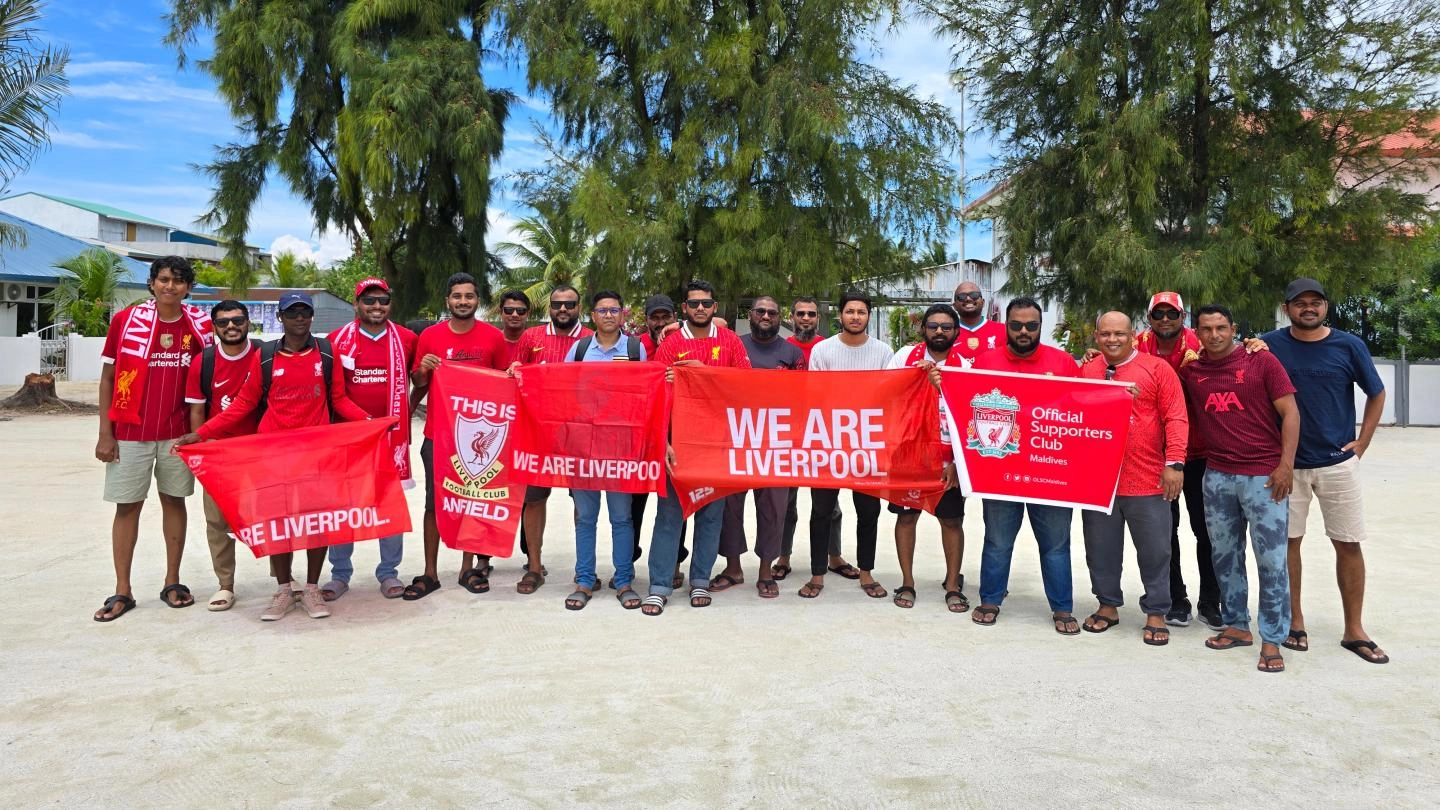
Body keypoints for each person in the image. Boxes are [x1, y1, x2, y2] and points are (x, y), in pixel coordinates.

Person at [175, 292, 372, 622]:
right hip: (273, 455)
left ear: (311, 316)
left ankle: (311, 587)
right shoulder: (265, 356)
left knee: (315, 523)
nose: (299, 318)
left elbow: (339, 399)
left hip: (315, 455)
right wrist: (201, 433)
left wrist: (370, 423)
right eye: (292, 313)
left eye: (304, 312)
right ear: (280, 317)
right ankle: (283, 588)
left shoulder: (326, 353)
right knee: (278, 524)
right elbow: (243, 404)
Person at [1263, 278, 1389, 664]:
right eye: (1299, 303)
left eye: (1315, 302)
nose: (1308, 308)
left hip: (1337, 464)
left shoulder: (1349, 345)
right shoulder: (1268, 345)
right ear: (1287, 309)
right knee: (1288, 544)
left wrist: (1363, 441)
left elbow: (1376, 391)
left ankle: (1354, 629)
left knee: (1348, 543)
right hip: (1286, 466)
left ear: (1326, 306)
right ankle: (1294, 621)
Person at [1181, 304, 1299, 673]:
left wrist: (1285, 466)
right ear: (1196, 333)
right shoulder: (1192, 372)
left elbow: (1291, 413)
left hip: (1264, 476)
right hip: (1216, 475)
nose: (1214, 335)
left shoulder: (1261, 362)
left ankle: (1273, 639)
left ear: (1234, 328)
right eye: (1206, 329)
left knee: (1271, 560)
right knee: (1225, 556)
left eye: (1221, 327)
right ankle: (1236, 626)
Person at [93, 256, 212, 622]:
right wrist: (105, 433)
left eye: (178, 281)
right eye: (163, 279)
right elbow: (109, 379)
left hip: (178, 434)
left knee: (175, 502)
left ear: (188, 287)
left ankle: (172, 582)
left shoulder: (201, 326)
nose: (170, 287)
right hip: (130, 431)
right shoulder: (126, 321)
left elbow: (210, 378)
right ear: (152, 283)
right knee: (127, 506)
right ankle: (122, 590)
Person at [969, 296, 1082, 635]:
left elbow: (1082, 411)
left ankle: (1062, 607)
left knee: (1056, 545)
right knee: (998, 541)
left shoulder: (1063, 363)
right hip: (1000, 471)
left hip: (1050, 472)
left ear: (1040, 327)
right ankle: (990, 598)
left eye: (1030, 326)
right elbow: (966, 408)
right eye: (1016, 325)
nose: (1023, 331)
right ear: (1006, 325)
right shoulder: (985, 362)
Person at [1078, 312, 1188, 645]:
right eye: (1106, 334)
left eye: (1120, 334)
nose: (1112, 340)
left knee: (1155, 550)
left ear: (1133, 336)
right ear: (1097, 336)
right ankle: (1107, 604)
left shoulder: (1157, 369)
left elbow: (1176, 418)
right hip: (1100, 481)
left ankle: (1156, 611)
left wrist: (1175, 464)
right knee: (1101, 549)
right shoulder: (1088, 370)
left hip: (1148, 478)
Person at [645, 280, 752, 614]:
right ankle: (659, 584)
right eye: (694, 304)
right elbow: (655, 398)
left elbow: (746, 387)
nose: (701, 309)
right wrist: (662, 442)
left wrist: (705, 375)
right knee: (669, 516)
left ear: (715, 307)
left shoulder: (731, 342)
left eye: (706, 303)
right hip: (679, 443)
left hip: (716, 443)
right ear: (684, 308)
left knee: (710, 515)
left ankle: (700, 581)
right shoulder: (670, 345)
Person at [407, 272, 510, 600]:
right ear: (447, 301)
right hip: (438, 434)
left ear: (477, 300)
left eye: (469, 296)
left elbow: (505, 382)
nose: (463, 301)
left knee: (473, 502)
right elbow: (418, 382)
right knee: (434, 504)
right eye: (457, 296)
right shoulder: (431, 336)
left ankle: (468, 567)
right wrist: (423, 368)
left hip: (477, 437)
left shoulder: (493, 337)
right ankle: (430, 573)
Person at [320, 278, 418, 601]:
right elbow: (333, 395)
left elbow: (420, 378)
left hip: (391, 441)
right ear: (356, 304)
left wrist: (409, 408)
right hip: (349, 440)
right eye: (369, 301)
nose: (377, 307)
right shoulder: (336, 341)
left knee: (389, 504)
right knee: (343, 507)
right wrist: (367, 424)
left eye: (383, 301)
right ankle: (340, 574)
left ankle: (389, 572)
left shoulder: (406, 339)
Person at [798, 290, 895, 600]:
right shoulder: (823, 350)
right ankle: (817, 575)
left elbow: (890, 395)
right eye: (850, 311)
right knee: (821, 511)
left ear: (868, 316)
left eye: (861, 312)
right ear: (840, 315)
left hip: (868, 444)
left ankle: (866, 573)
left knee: (869, 511)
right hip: (828, 443)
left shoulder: (883, 351)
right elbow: (814, 396)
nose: (855, 316)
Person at [711, 296, 806, 599]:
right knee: (730, 507)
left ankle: (766, 571)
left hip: (776, 444)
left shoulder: (792, 353)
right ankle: (733, 568)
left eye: (772, 312)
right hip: (736, 440)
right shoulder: (732, 346)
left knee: (773, 509)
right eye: (760, 311)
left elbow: (805, 397)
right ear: (750, 315)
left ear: (781, 317)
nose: (766, 316)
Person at [562, 290, 646, 611]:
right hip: (584, 446)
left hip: (621, 447)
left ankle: (623, 580)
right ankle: (584, 579)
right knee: (585, 517)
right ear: (592, 315)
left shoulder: (636, 349)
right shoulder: (580, 349)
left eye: (614, 310)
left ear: (622, 314)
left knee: (622, 518)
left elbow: (648, 396)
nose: (609, 315)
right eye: (602, 310)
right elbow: (560, 390)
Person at [508, 283, 593, 595]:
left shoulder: (591, 339)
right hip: (537, 432)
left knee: (583, 504)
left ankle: (585, 568)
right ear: (549, 307)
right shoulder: (531, 338)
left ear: (579, 308)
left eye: (569, 305)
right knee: (533, 500)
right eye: (557, 304)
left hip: (579, 434)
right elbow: (515, 376)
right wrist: (514, 369)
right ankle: (534, 566)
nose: (563, 310)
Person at [887, 303, 968, 612]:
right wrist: (913, 379)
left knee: (951, 520)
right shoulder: (904, 358)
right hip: (909, 455)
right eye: (933, 325)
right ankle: (907, 581)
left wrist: (959, 466)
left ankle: (951, 584)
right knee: (907, 517)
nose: (939, 331)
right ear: (923, 329)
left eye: (946, 327)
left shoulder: (967, 366)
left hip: (948, 459)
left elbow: (972, 418)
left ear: (956, 333)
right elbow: (885, 396)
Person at [183, 300, 260, 612]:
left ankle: (283, 578)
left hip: (258, 449)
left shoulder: (263, 355)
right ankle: (225, 585)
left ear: (248, 323)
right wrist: (202, 453)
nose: (231, 326)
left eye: (237, 320)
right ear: (214, 327)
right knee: (217, 521)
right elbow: (197, 409)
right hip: (218, 452)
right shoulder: (205, 362)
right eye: (224, 321)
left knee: (269, 515)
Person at [775, 294, 846, 581]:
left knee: (830, 503)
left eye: (811, 314)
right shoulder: (781, 348)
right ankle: (783, 556)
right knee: (786, 500)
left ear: (819, 319)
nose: (806, 318)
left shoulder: (829, 348)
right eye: (800, 314)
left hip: (824, 432)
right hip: (789, 433)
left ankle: (834, 555)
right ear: (791, 317)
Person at [630, 292, 690, 575]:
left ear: (675, 318)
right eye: (655, 317)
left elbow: (722, 323)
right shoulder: (635, 345)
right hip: (640, 436)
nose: (660, 322)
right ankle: (627, 562)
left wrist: (679, 327)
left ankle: (675, 562)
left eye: (666, 316)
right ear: (646, 320)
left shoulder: (683, 339)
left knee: (676, 503)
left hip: (676, 434)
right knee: (633, 505)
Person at [950, 280, 1006, 363]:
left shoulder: (1003, 330)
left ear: (983, 302)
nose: (968, 299)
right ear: (954, 306)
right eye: (962, 297)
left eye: (974, 295)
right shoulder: (945, 332)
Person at [497, 289, 531, 366]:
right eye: (509, 310)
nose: (515, 315)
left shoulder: (536, 344)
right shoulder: (491, 342)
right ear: (500, 312)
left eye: (521, 311)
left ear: (528, 314)